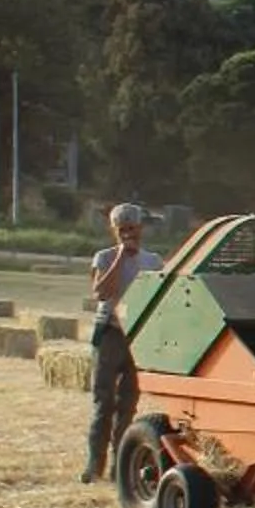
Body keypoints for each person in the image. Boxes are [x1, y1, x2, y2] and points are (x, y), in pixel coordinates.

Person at [84, 203, 162, 484]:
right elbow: (101, 292)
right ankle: (94, 466)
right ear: (114, 230)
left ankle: (120, 468)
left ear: (141, 228)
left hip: (138, 336)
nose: (128, 234)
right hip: (110, 333)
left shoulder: (153, 261)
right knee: (103, 403)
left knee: (128, 405)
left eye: (132, 228)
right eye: (122, 230)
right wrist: (121, 256)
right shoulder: (104, 257)